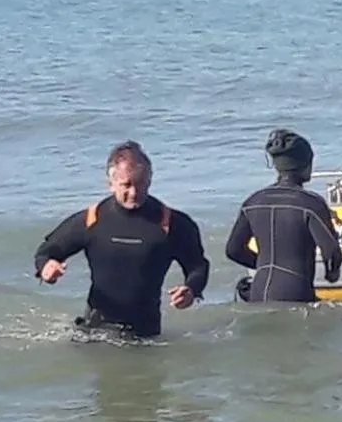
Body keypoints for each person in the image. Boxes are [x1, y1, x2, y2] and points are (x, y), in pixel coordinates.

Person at [34, 140, 210, 338]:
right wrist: (46, 268)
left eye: (141, 183)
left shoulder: (171, 223)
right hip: (95, 332)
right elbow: (47, 251)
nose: (134, 192)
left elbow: (198, 266)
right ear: (110, 183)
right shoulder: (93, 219)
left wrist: (191, 290)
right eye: (126, 184)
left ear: (150, 180)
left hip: (145, 335)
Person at [225, 129, 342, 303]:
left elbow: (233, 250)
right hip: (295, 292)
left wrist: (264, 266)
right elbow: (331, 253)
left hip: (258, 291)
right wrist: (332, 276)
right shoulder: (311, 204)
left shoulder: (253, 201)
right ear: (306, 164)